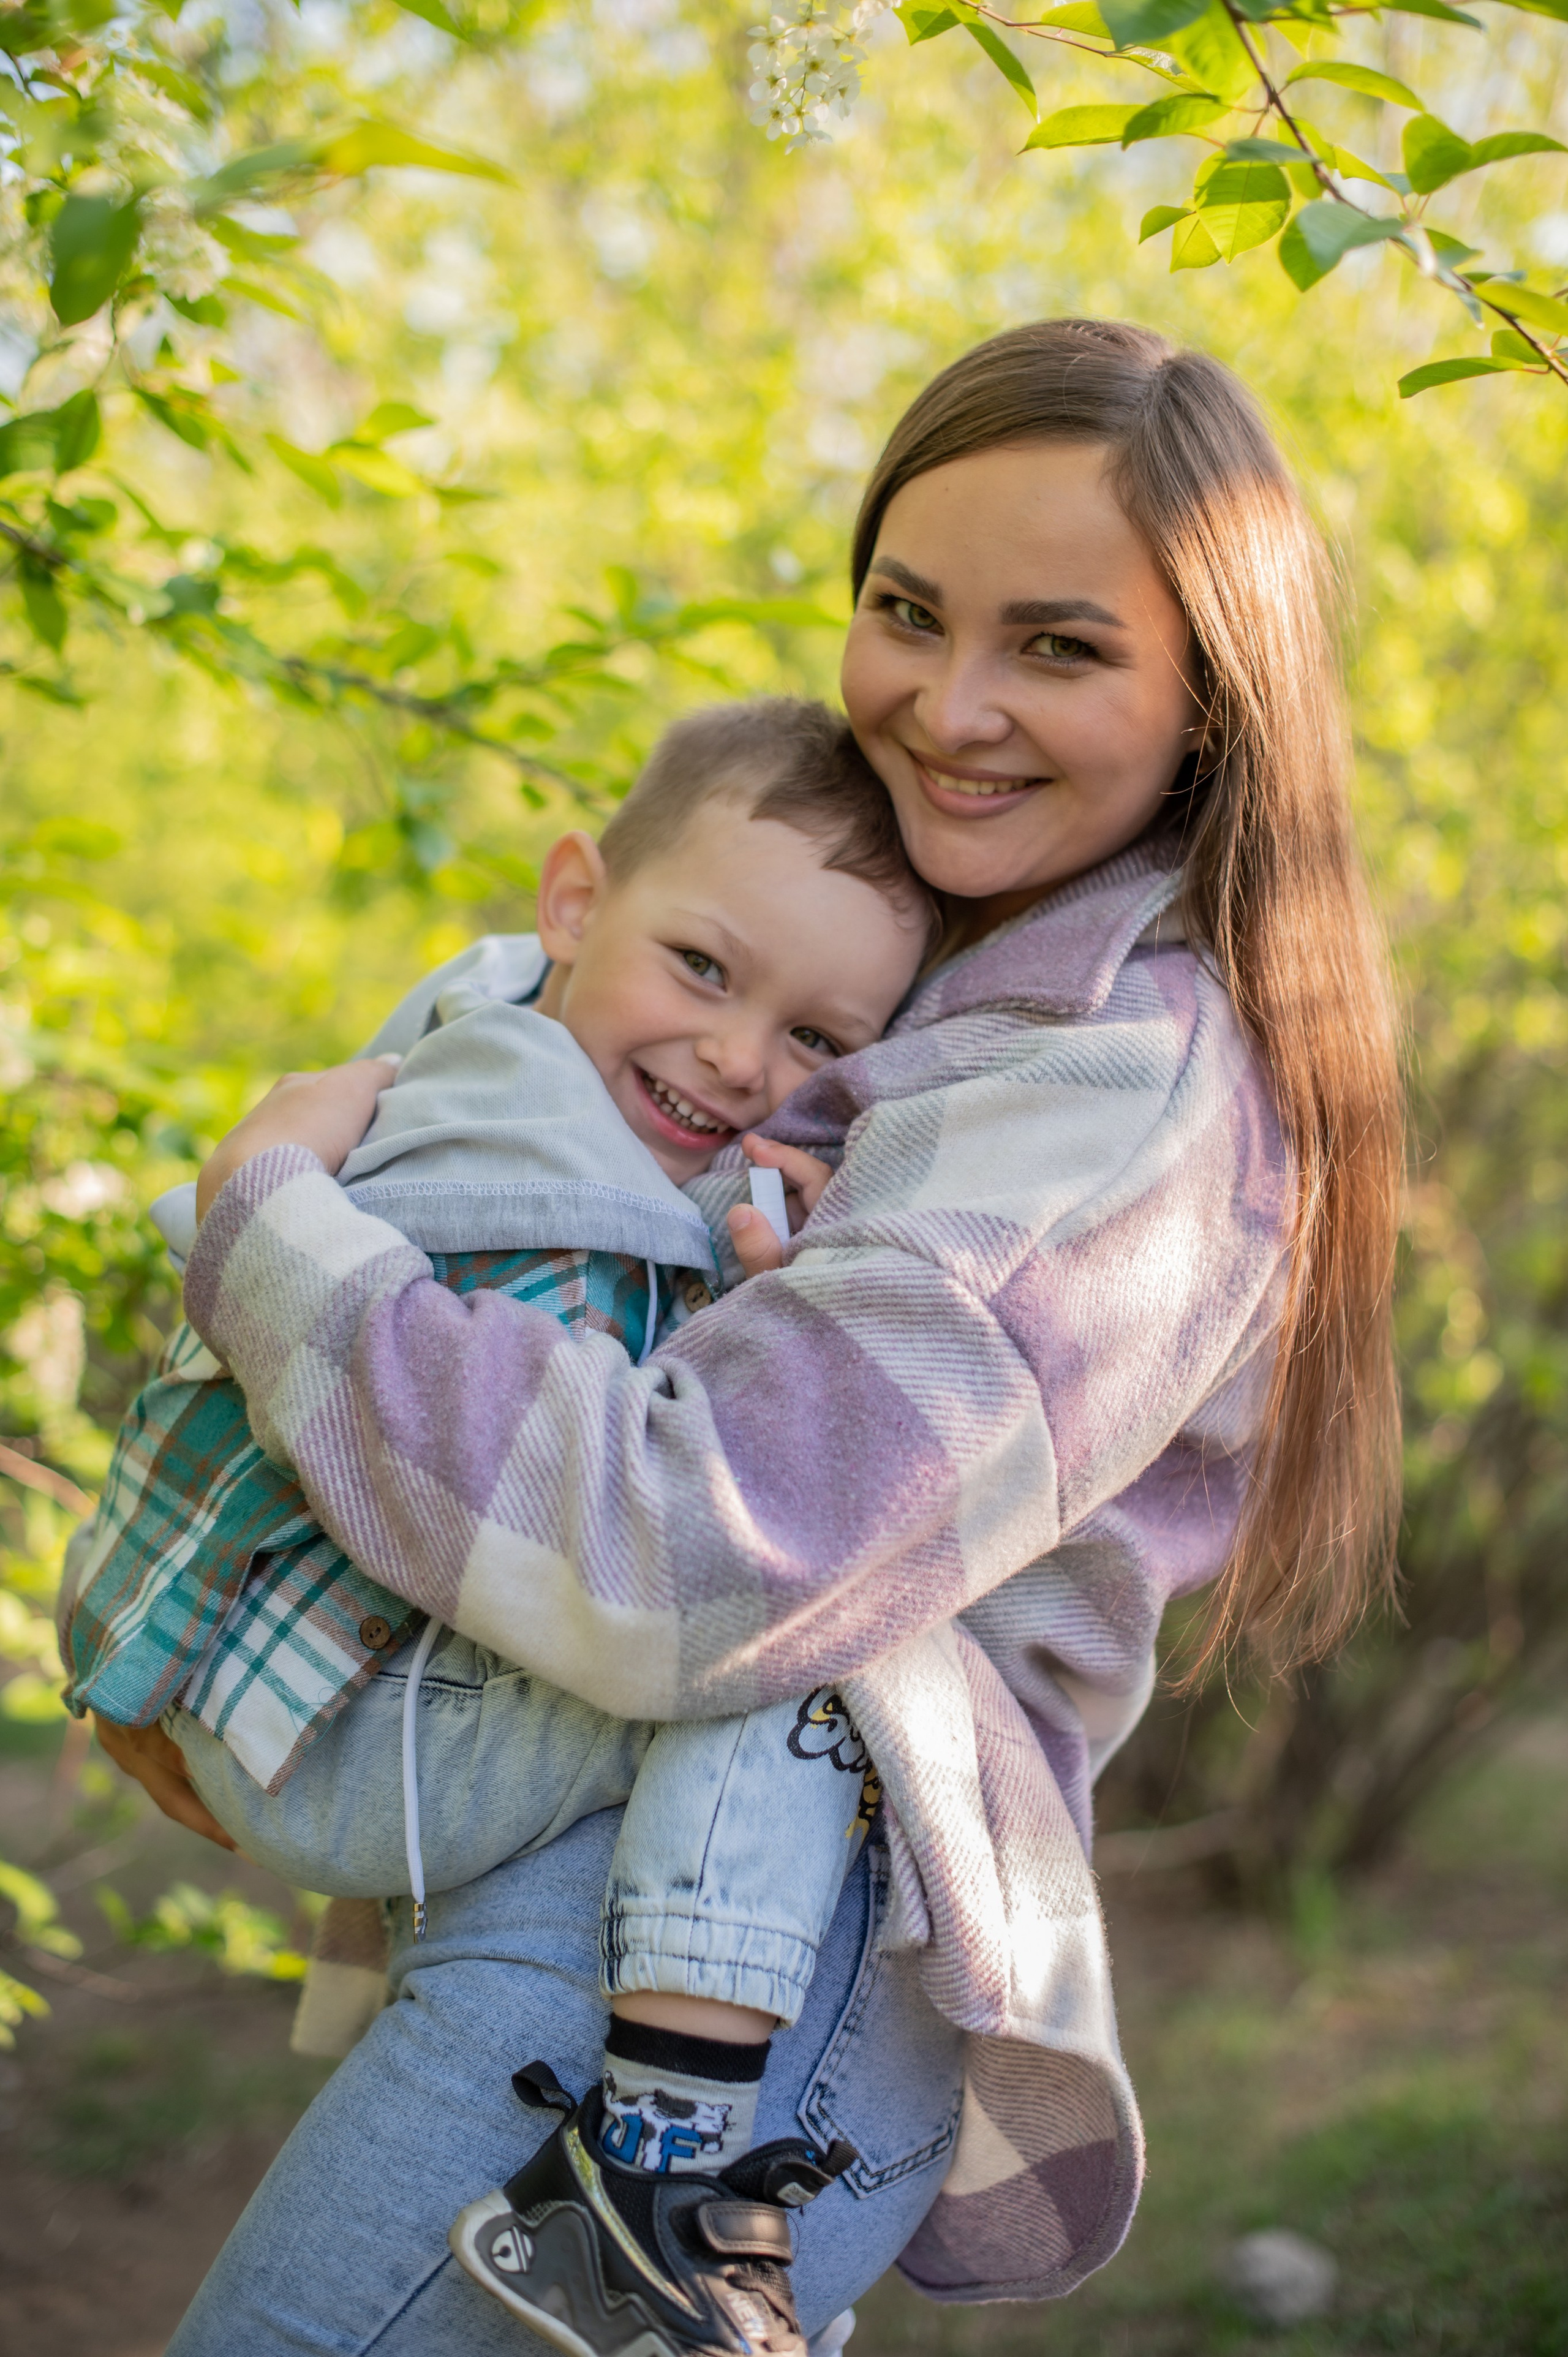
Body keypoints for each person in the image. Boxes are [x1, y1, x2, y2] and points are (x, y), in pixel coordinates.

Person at [97, 318, 1403, 2357]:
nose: (947, 708)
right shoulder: (921, 967)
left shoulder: (1105, 1088)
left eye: (1059, 648)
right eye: (908, 611)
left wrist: (273, 1243)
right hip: (629, 1925)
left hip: (722, 2019)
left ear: (1212, 702)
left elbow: (701, 1558)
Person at [61, 700, 941, 2356]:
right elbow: (591, 1509)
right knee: (798, 1610)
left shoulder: (493, 1032)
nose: (745, 1059)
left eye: (819, 1042)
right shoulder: (512, 1151)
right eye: (703, 970)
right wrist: (773, 1317)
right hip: (343, 1732)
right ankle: (668, 2164)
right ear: (571, 901)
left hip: (305, 1701)